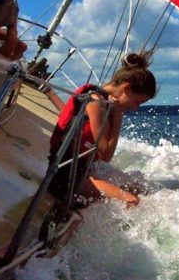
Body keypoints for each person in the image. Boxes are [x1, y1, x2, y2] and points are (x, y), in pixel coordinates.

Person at [48, 51, 157, 209]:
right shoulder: (95, 102)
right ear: (126, 88)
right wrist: (118, 114)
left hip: (83, 171)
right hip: (65, 177)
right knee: (132, 201)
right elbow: (106, 154)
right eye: (137, 102)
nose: (135, 108)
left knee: (140, 189)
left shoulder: (106, 103)